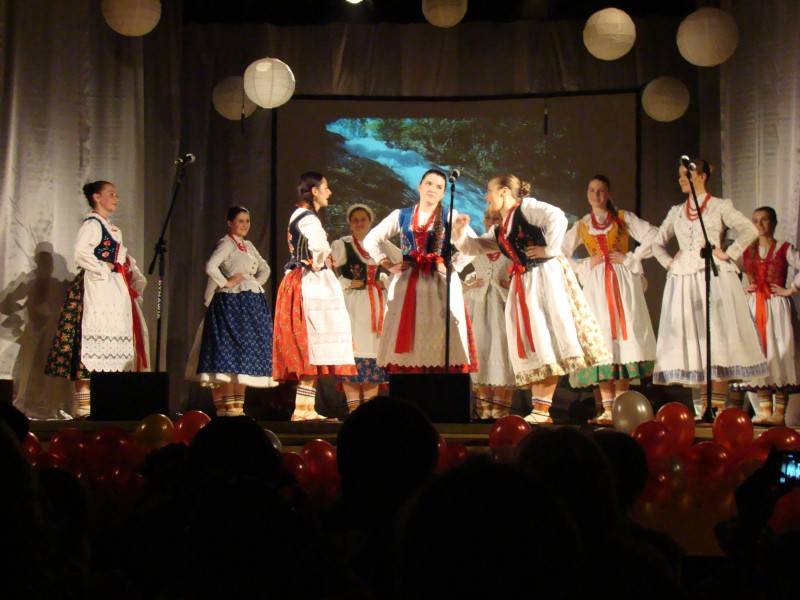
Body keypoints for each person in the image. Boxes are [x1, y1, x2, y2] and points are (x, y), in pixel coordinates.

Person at [452, 174, 610, 424]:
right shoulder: (502, 227)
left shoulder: (527, 208)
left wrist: (549, 250)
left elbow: (557, 216)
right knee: (533, 340)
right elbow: (475, 247)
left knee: (546, 336)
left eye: (489, 191)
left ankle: (542, 409)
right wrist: (460, 232)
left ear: (504, 192)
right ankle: (540, 409)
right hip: (524, 282)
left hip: (543, 278)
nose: (486, 196)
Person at [651, 159, 767, 417]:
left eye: (686, 174)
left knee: (717, 339)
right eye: (680, 175)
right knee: (696, 342)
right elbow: (657, 243)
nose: (681, 179)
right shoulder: (676, 211)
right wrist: (670, 263)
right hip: (684, 280)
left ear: (702, 176)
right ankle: (703, 409)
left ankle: (716, 408)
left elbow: (749, 230)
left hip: (714, 277)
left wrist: (729, 253)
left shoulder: (719, 206)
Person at [45, 181, 149, 418]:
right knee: (87, 342)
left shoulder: (112, 229)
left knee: (110, 342)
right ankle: (83, 405)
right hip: (94, 289)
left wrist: (128, 271)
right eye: (111, 194)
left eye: (116, 194)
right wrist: (104, 269)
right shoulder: (92, 224)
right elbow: (81, 253)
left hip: (111, 293)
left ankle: (104, 403)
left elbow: (121, 258)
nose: (116, 198)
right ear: (96, 197)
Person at [562, 175, 658, 425]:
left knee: (624, 341)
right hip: (596, 286)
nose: (596, 195)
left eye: (601, 190)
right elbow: (560, 253)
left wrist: (631, 257)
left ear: (609, 194)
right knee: (601, 339)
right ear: (587, 194)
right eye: (592, 190)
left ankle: (620, 406)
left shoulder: (623, 218)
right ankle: (606, 408)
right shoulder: (583, 225)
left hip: (622, 282)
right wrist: (584, 264)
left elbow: (653, 235)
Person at [362, 168, 477, 374]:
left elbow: (472, 246)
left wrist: (453, 266)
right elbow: (371, 239)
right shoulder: (402, 215)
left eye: (439, 187)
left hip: (439, 285)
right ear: (420, 186)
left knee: (440, 339)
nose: (432, 189)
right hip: (408, 285)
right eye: (429, 183)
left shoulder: (449, 215)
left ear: (443, 193)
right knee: (411, 337)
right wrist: (386, 263)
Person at [272, 172, 356, 421]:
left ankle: (304, 408)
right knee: (311, 339)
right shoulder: (308, 218)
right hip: (309, 283)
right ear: (315, 191)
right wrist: (319, 262)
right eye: (326, 188)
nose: (329, 192)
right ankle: (303, 410)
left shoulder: (300, 215)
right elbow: (318, 246)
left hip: (301, 279)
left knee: (312, 343)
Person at [185, 206, 276, 416]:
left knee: (243, 352)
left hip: (249, 304)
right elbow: (211, 266)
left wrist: (254, 283)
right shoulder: (226, 243)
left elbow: (265, 268)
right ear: (230, 223)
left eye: (247, 221)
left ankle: (237, 407)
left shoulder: (248, 245)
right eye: (240, 221)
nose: (245, 225)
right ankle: (227, 408)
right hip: (231, 304)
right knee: (229, 351)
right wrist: (226, 282)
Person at [331, 205, 399, 413]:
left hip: (375, 304)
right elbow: (329, 270)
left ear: (370, 222)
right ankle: (354, 411)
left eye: (363, 219)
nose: (359, 223)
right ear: (350, 223)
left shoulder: (380, 244)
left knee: (373, 350)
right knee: (352, 351)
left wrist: (385, 281)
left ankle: (369, 412)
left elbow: (401, 264)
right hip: (352, 303)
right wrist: (345, 282)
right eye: (355, 220)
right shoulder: (343, 244)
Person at [737, 206, 800, 425]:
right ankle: (764, 410)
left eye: (764, 220)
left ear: (773, 223)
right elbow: (726, 268)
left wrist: (791, 289)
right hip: (755, 306)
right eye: (755, 220)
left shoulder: (784, 248)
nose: (760, 224)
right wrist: (741, 289)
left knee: (780, 353)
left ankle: (779, 413)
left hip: (776, 307)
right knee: (759, 354)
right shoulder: (746, 250)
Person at [461, 208, 516, 420]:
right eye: (488, 218)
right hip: (479, 304)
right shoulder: (476, 245)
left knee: (501, 348)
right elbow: (452, 265)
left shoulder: (511, 245)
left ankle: (501, 408)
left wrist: (512, 283)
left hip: (502, 304)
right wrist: (467, 285)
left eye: (497, 218)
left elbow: (525, 270)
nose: (492, 221)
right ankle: (484, 408)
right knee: (481, 349)